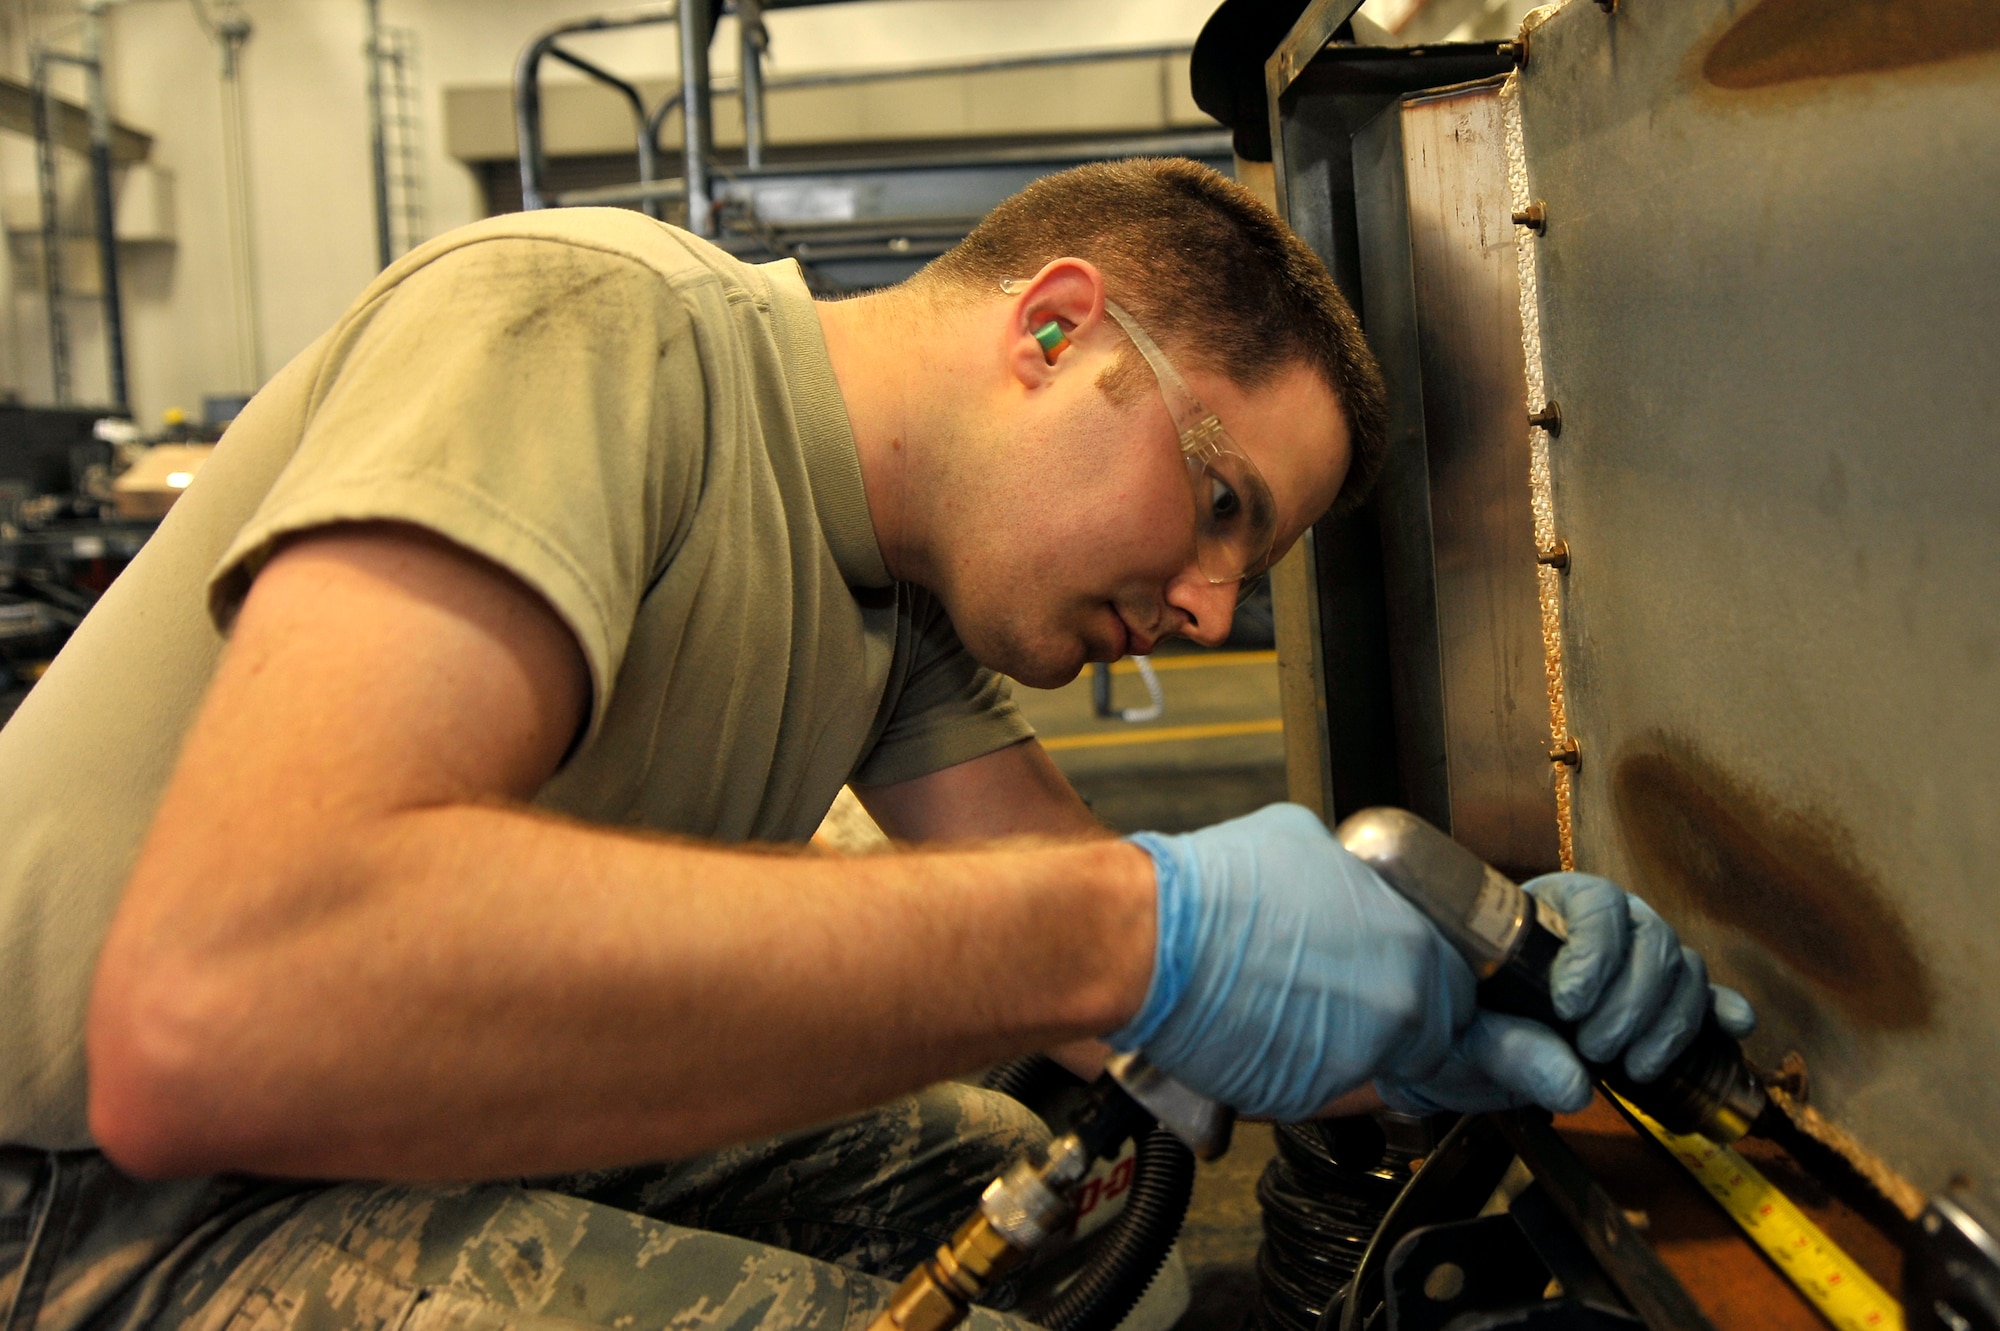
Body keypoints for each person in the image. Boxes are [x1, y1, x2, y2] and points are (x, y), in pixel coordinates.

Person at [0, 159, 1750, 1331]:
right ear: (1057, 330)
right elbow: (212, 1009)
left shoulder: (890, 601)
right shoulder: (584, 327)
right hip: (89, 1204)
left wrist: (1480, 999)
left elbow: (1117, 957)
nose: (1214, 607)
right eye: (1218, 504)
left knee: (1018, 1203)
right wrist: (1137, 931)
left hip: (368, 1127)